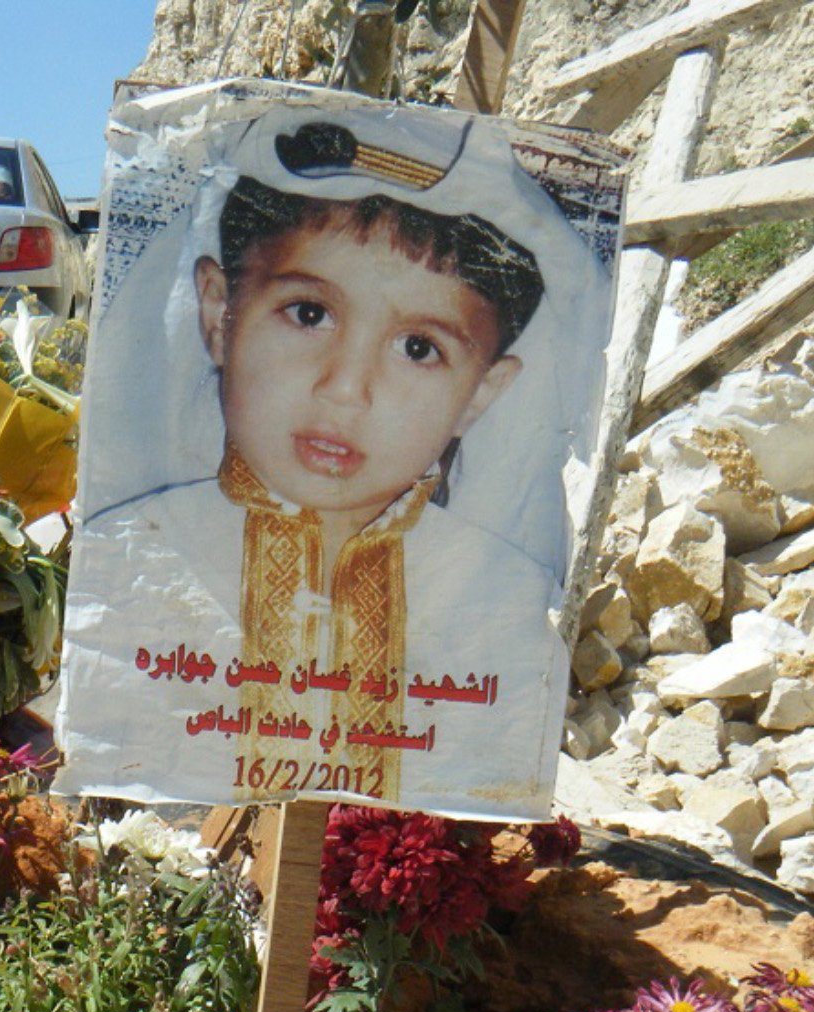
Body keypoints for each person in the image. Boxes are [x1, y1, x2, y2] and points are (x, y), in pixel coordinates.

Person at [60, 106, 615, 817]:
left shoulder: (504, 602)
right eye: (308, 313)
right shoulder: (130, 560)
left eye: (419, 348)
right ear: (216, 311)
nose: (346, 390)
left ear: (481, 393)